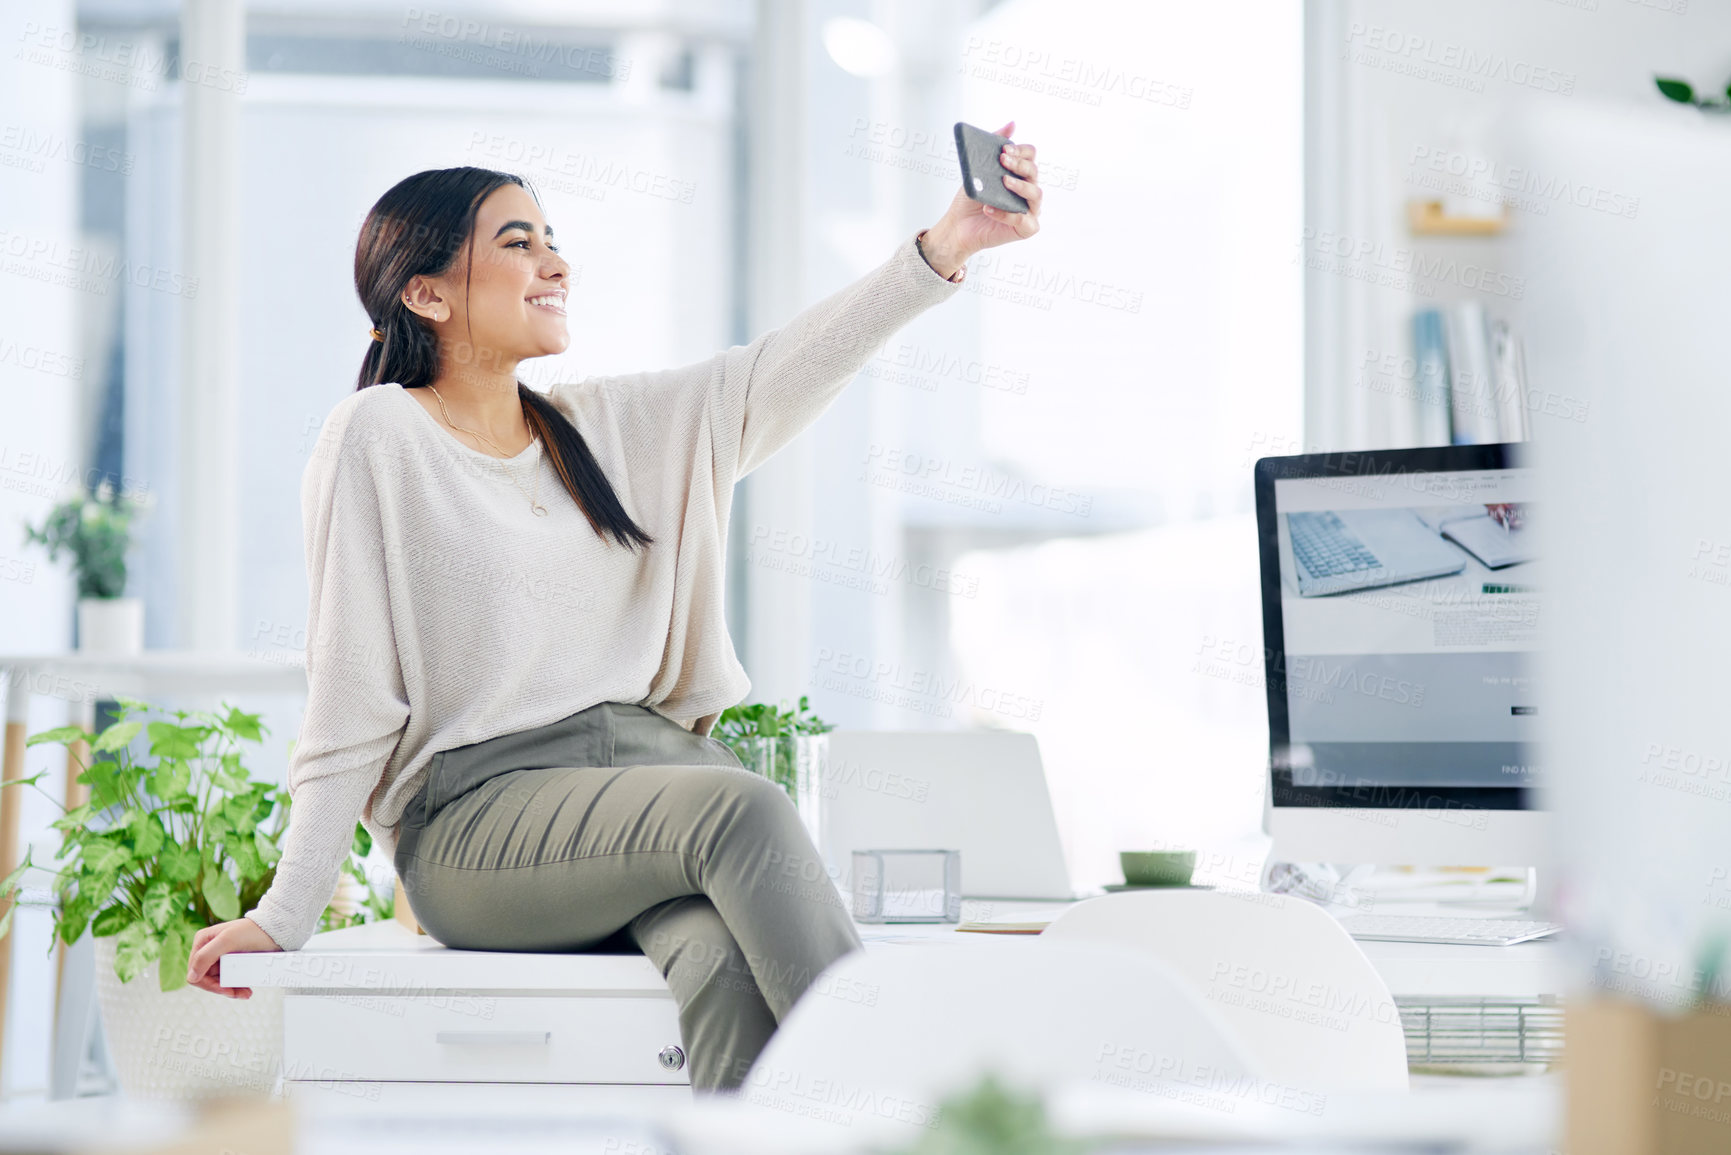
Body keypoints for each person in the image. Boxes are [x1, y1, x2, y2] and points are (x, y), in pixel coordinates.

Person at [185, 121, 1043, 1092]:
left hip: (643, 793)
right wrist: (286, 914)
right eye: (518, 243)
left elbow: (784, 369)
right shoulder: (378, 436)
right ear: (427, 292)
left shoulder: (599, 428)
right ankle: (912, 1129)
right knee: (746, 811)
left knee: (720, 966)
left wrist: (946, 247)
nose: (554, 262)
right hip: (476, 828)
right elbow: (349, 696)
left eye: (551, 238)